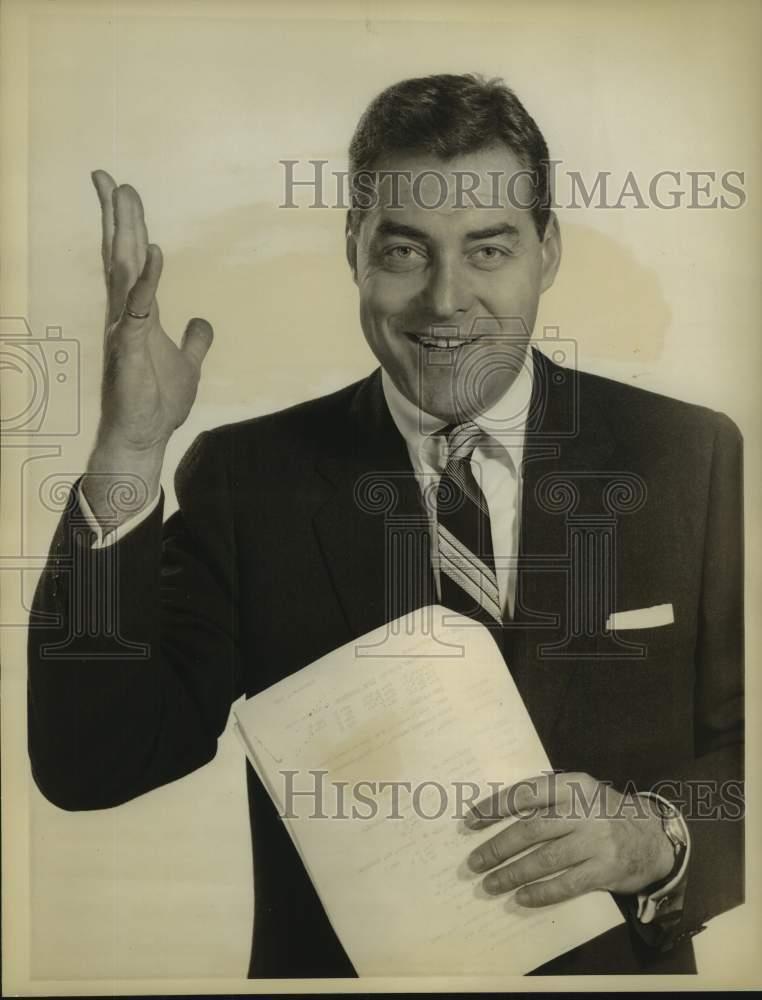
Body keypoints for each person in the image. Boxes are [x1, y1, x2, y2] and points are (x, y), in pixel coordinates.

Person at [27, 74, 743, 978]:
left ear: (549, 250)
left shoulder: (692, 455)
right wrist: (128, 454)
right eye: (405, 252)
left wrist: (659, 836)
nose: (446, 301)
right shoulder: (252, 478)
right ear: (354, 251)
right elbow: (95, 763)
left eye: (489, 250)